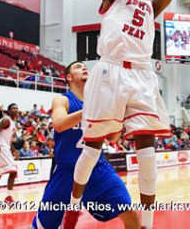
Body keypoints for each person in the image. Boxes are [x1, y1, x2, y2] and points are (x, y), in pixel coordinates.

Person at [63, 0, 188, 229]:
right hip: (111, 71)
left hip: (143, 74)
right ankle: (72, 210)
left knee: (147, 149)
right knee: (93, 147)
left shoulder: (151, 7)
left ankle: (147, 224)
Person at [32, 61, 138, 229]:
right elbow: (59, 124)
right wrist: (90, 109)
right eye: (78, 67)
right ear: (69, 77)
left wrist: (118, 116)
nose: (84, 68)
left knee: (129, 212)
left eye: (85, 66)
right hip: (67, 171)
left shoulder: (99, 104)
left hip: (97, 168)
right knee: (44, 226)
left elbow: (112, 138)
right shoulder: (63, 100)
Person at [0, 104, 19, 206]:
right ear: (9, 111)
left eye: (17, 108)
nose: (16, 109)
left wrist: (14, 150)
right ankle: (8, 197)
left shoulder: (12, 123)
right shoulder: (6, 120)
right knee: (13, 171)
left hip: (3, 146)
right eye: (14, 108)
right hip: (0, 147)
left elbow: (8, 140)